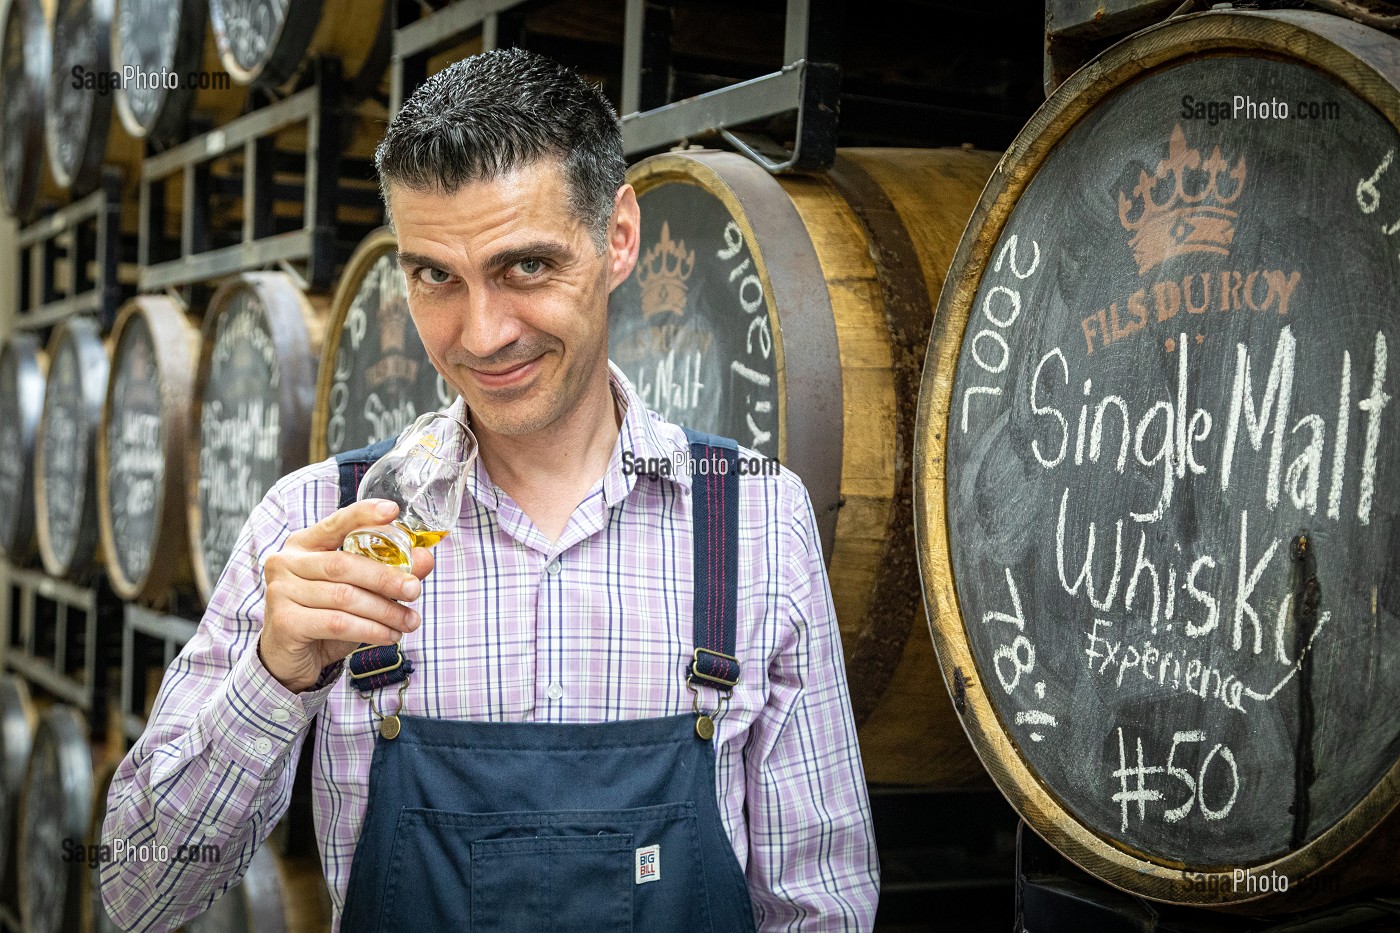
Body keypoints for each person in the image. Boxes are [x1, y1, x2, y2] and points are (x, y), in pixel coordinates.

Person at [102, 48, 878, 932]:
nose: (481, 333)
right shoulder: (315, 521)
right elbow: (138, 896)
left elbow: (821, 908)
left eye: (525, 267)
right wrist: (275, 680)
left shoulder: (754, 520)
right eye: (435, 274)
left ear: (618, 236)